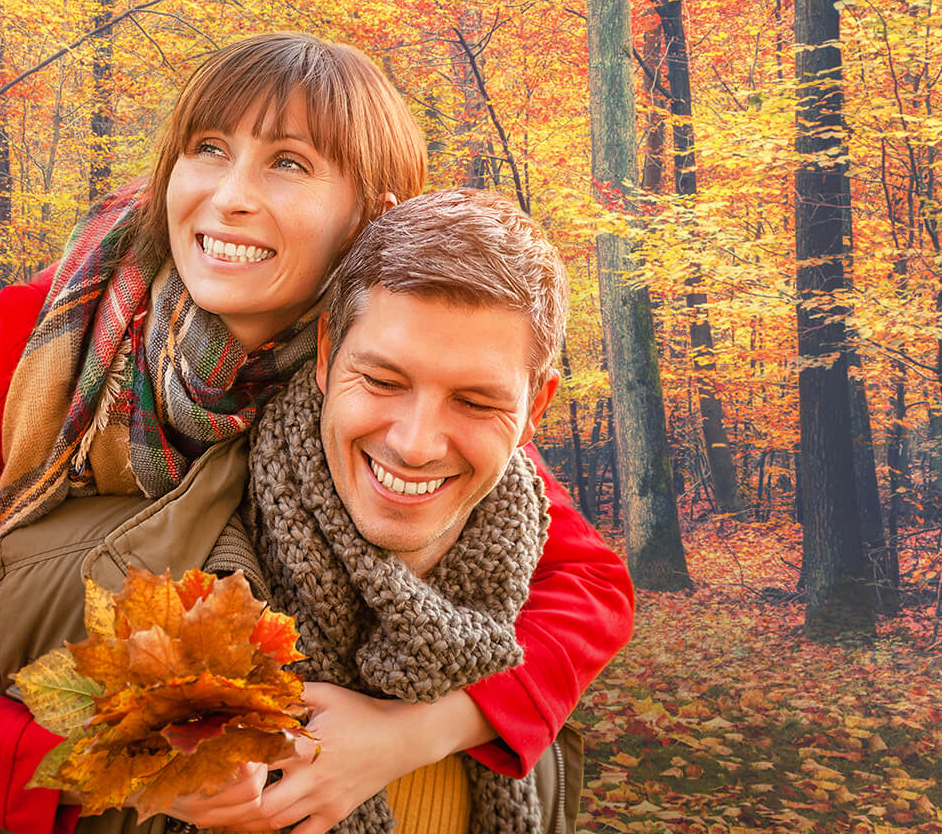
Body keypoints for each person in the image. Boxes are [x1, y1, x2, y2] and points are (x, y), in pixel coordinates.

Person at [0, 34, 632, 834]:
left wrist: (411, 733)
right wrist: (126, 768)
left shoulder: (390, 368)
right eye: (208, 148)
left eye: (289, 163)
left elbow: (589, 587)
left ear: (372, 216)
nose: (231, 195)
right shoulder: (52, 336)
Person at [177, 188, 617, 834]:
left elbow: (601, 586)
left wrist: (417, 732)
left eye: (475, 403)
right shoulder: (180, 575)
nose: (415, 445)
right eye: (383, 381)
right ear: (326, 354)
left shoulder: (521, 614)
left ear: (534, 412)